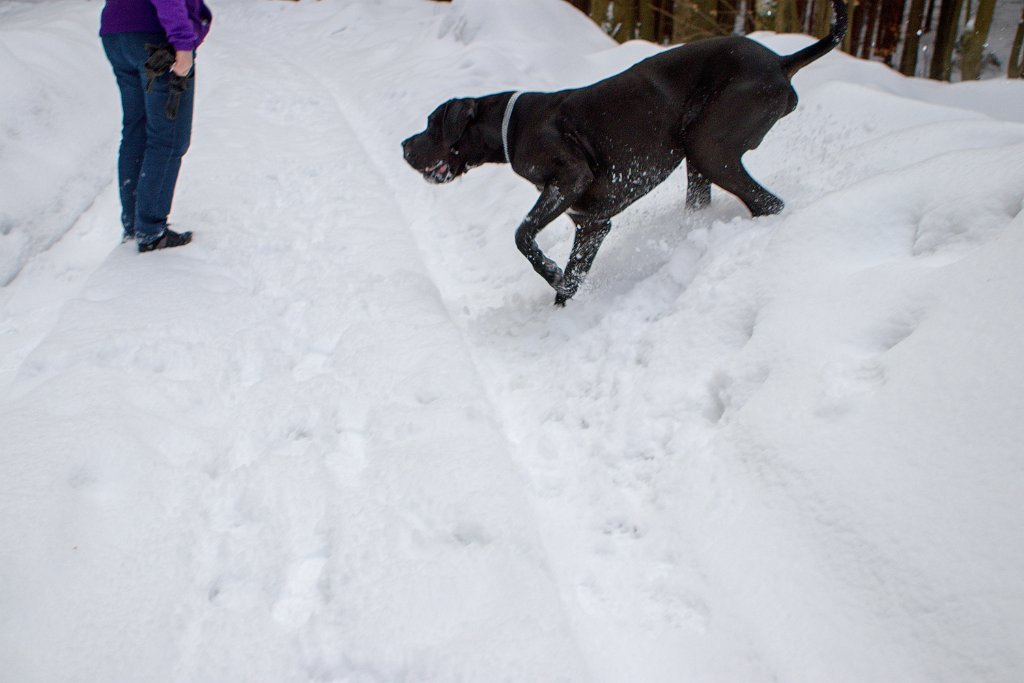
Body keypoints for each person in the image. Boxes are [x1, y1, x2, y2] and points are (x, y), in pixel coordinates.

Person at [100, 0, 212, 252]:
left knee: (135, 132)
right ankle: (150, 231)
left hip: (116, 33)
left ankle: (135, 225)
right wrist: (183, 42)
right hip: (155, 35)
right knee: (168, 137)